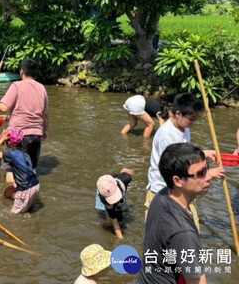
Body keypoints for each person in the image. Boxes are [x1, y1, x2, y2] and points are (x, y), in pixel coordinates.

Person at [138, 142, 225, 283]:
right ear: (178, 180)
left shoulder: (162, 195)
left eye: (207, 169)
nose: (209, 176)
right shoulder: (183, 232)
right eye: (201, 173)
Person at [145, 93, 225, 229]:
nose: (193, 124)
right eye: (191, 119)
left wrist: (203, 153)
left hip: (182, 189)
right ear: (178, 114)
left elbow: (184, 154)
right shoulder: (167, 135)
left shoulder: (184, 127)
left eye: (195, 119)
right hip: (164, 190)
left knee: (193, 230)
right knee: (163, 235)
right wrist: (207, 175)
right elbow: (176, 169)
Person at [0, 58, 48, 170]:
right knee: (31, 169)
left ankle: (11, 186)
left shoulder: (17, 86)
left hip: (18, 135)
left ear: (22, 72)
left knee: (11, 170)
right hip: (36, 134)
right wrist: (45, 130)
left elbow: (3, 107)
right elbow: (45, 115)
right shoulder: (42, 89)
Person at [0, 127, 40, 214]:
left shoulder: (12, 155)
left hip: (25, 190)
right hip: (36, 185)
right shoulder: (25, 154)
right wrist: (17, 183)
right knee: (27, 209)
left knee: (14, 215)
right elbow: (26, 171)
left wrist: (1, 139)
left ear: (8, 142)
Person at [95, 168, 133, 240]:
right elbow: (115, 223)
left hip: (119, 182)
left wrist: (125, 172)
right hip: (106, 193)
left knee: (120, 211)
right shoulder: (105, 200)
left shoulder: (126, 179)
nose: (116, 201)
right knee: (109, 221)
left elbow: (129, 173)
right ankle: (108, 218)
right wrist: (121, 240)